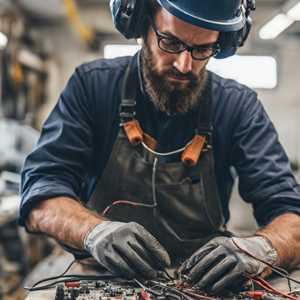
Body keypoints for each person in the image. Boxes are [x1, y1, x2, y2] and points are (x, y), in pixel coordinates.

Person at [19, 0, 300, 295]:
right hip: (100, 270)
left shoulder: (238, 106)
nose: (184, 64)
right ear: (140, 23)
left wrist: (258, 250)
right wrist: (93, 232)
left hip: (204, 278)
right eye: (170, 42)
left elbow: (291, 215)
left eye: (202, 49)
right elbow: (41, 192)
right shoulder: (92, 87)